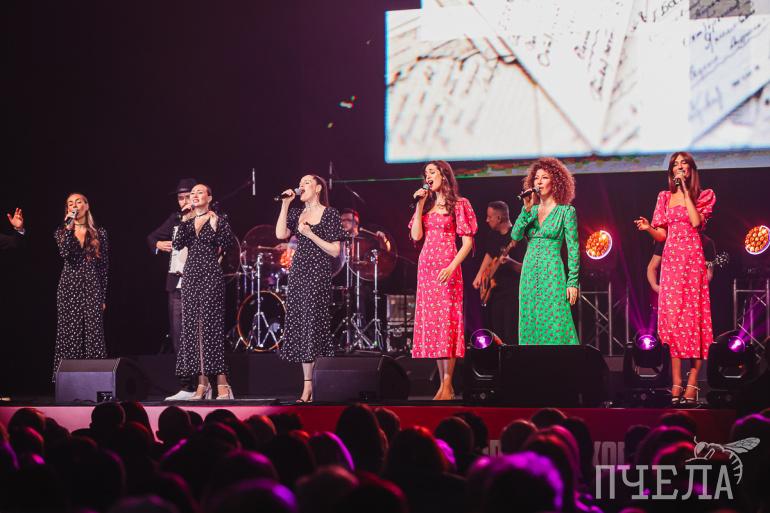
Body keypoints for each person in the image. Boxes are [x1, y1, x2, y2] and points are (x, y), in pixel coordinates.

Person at [635, 151, 715, 406]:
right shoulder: (663, 197)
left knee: (694, 321)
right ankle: (676, 382)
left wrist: (686, 193)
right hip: (671, 262)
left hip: (692, 262)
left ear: (691, 169)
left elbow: (695, 222)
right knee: (674, 323)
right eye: (675, 165)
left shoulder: (705, 195)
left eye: (684, 164)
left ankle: (693, 382)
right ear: (671, 171)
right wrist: (649, 229)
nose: (679, 168)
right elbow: (662, 235)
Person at [410, 160, 477, 400]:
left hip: (447, 267)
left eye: (432, 171)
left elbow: (467, 243)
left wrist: (451, 266)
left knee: (448, 323)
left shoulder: (460, 204)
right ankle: (442, 384)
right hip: (426, 270)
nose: (428, 176)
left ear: (443, 175)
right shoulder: (426, 205)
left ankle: (448, 383)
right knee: (435, 325)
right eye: (425, 173)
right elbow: (416, 235)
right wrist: (419, 205)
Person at [275, 174, 345, 402]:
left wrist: (310, 234)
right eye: (300, 183)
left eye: (306, 183)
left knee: (314, 324)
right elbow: (280, 234)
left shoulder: (330, 214)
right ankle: (307, 385)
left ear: (317, 188)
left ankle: (315, 384)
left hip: (318, 273)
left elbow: (335, 250)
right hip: (299, 272)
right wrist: (285, 204)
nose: (301, 186)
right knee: (302, 325)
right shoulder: (297, 213)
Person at [172, 183, 236, 400]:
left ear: (209, 197)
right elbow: (178, 244)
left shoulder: (219, 219)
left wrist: (216, 226)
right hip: (191, 276)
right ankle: (202, 384)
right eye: (192, 193)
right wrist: (185, 219)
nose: (195, 195)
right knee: (194, 329)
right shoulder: (187, 221)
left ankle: (223, 383)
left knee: (210, 328)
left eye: (200, 192)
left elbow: (227, 243)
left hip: (210, 275)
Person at [511, 157, 579, 346]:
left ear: (555, 182)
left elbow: (573, 248)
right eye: (536, 178)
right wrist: (525, 210)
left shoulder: (566, 211)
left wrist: (572, 281)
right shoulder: (530, 211)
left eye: (544, 177)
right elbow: (515, 235)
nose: (539, 182)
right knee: (530, 318)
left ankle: (562, 361)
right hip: (530, 272)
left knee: (557, 319)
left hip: (552, 272)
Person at [146, 178, 198, 401]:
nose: (184, 201)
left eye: (187, 196)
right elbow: (151, 238)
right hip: (176, 285)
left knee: (200, 335)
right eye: (180, 197)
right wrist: (158, 245)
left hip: (198, 284)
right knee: (178, 336)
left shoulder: (206, 218)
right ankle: (187, 385)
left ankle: (205, 383)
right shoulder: (175, 219)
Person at [53, 193, 109, 380]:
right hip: (69, 285)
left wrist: (102, 296)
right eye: (70, 203)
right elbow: (64, 253)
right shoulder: (61, 232)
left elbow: (104, 267)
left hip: (92, 284)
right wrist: (68, 228)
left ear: (86, 205)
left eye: (78, 202)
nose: (74, 206)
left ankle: (97, 379)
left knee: (94, 333)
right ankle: (68, 380)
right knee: (70, 333)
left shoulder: (100, 232)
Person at [472, 201, 526, 345]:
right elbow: (489, 254)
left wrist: (510, 262)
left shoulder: (519, 238)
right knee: (497, 334)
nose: (486, 220)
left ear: (499, 218)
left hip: (513, 295)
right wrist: (479, 275)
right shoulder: (492, 235)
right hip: (496, 294)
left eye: (489, 217)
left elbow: (526, 269)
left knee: (510, 334)